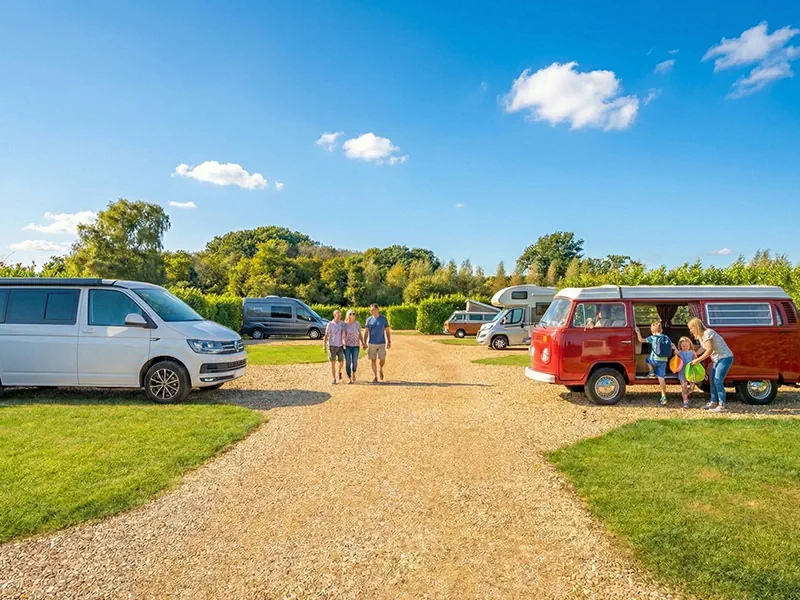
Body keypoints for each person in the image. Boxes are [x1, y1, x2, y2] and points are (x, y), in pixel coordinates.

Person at [688, 317, 734, 412]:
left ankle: (722, 405)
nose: (691, 330)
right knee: (712, 380)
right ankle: (713, 402)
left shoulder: (708, 333)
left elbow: (709, 350)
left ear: (696, 326)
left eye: (691, 328)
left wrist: (697, 360)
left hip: (725, 358)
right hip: (716, 360)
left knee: (718, 380)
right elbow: (703, 348)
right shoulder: (701, 336)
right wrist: (695, 354)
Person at [635, 319, 675, 405]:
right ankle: (663, 396)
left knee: (647, 359)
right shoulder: (666, 337)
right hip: (663, 361)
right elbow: (672, 345)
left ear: (652, 331)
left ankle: (651, 371)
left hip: (654, 360)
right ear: (661, 330)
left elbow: (641, 340)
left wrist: (638, 332)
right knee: (661, 378)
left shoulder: (652, 338)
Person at [363, 303, 391, 383]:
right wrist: (364, 342)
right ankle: (375, 377)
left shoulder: (383, 319)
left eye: (373, 310)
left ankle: (381, 368)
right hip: (372, 343)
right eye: (371, 310)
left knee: (382, 359)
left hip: (382, 343)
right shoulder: (369, 319)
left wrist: (389, 341)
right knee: (373, 360)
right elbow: (366, 332)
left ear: (377, 309)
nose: (371, 311)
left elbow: (387, 331)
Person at [674, 336, 699, 409]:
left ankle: (686, 393)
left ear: (690, 345)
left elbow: (696, 361)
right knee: (684, 387)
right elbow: (675, 358)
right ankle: (685, 402)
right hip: (682, 372)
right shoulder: (680, 352)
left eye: (687, 346)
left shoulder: (692, 352)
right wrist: (674, 348)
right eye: (683, 346)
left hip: (690, 372)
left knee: (692, 387)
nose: (685, 347)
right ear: (680, 346)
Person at [322, 309, 345, 384]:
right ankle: (334, 379)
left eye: (340, 315)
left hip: (340, 346)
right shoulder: (330, 324)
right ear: (334, 315)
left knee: (342, 362)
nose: (339, 316)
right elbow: (326, 335)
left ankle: (339, 371)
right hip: (332, 346)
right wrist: (324, 346)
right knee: (333, 363)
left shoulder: (342, 323)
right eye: (338, 315)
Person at [342, 309, 362, 384]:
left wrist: (363, 342)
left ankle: (354, 372)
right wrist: (344, 343)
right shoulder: (344, 324)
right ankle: (349, 377)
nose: (352, 315)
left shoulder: (357, 324)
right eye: (350, 314)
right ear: (348, 315)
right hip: (347, 346)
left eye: (353, 314)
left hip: (356, 345)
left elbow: (360, 334)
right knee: (348, 361)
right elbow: (343, 335)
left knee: (355, 361)